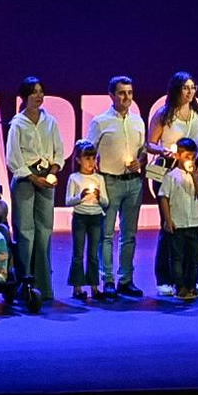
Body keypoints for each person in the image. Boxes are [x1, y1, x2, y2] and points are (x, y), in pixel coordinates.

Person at [84, 76, 147, 299]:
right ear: (111, 95)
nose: (126, 97)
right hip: (109, 181)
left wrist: (141, 161)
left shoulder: (138, 121)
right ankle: (107, 279)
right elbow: (86, 150)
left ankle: (126, 279)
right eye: (122, 93)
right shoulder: (101, 121)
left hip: (134, 182)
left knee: (129, 234)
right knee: (106, 234)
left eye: (129, 92)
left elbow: (143, 151)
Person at [147, 72, 198, 296]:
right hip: (167, 173)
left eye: (193, 87)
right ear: (176, 89)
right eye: (185, 87)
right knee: (170, 226)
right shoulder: (164, 114)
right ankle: (165, 279)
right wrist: (165, 150)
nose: (190, 92)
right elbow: (150, 144)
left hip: (190, 174)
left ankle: (191, 279)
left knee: (191, 228)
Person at [6, 76, 64, 302]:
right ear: (24, 97)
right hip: (25, 180)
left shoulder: (50, 121)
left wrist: (53, 170)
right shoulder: (17, 123)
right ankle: (25, 282)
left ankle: (44, 285)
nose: (39, 96)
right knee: (25, 232)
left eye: (41, 91)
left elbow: (58, 150)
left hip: (45, 179)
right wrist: (31, 176)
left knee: (44, 231)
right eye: (34, 92)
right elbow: (13, 157)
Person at [158, 137, 198, 301]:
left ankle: (192, 284)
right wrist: (168, 220)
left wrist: (194, 176)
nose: (190, 160)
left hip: (193, 221)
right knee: (176, 257)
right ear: (178, 156)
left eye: (192, 157)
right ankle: (180, 286)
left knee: (194, 257)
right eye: (186, 156)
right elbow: (164, 197)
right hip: (178, 223)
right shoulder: (171, 176)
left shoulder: (195, 175)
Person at [65, 141, 108, 301]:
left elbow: (106, 202)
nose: (91, 162)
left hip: (96, 217)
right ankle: (77, 287)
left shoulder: (99, 178)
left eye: (93, 158)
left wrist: (99, 197)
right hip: (80, 218)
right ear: (78, 160)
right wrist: (80, 196)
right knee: (78, 252)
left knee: (93, 253)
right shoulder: (74, 178)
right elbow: (68, 201)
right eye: (87, 158)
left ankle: (94, 287)